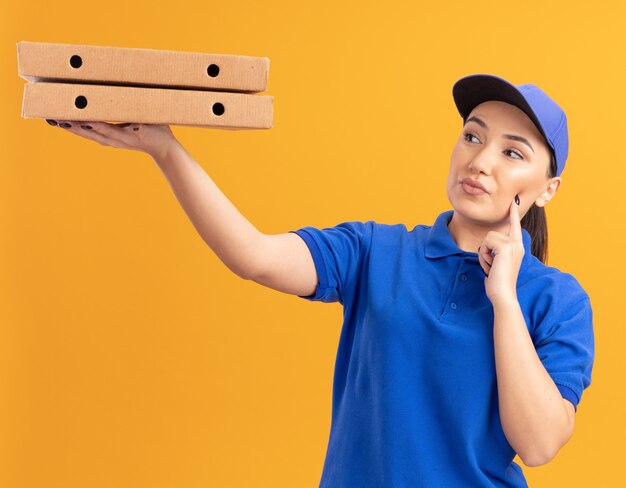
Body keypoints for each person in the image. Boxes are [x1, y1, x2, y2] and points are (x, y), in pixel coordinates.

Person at [47, 73, 594, 487]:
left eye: (512, 152)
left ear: (549, 189)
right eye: (472, 137)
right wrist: (165, 149)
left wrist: (502, 298)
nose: (481, 161)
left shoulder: (556, 300)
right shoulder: (376, 251)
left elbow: (541, 443)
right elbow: (255, 255)